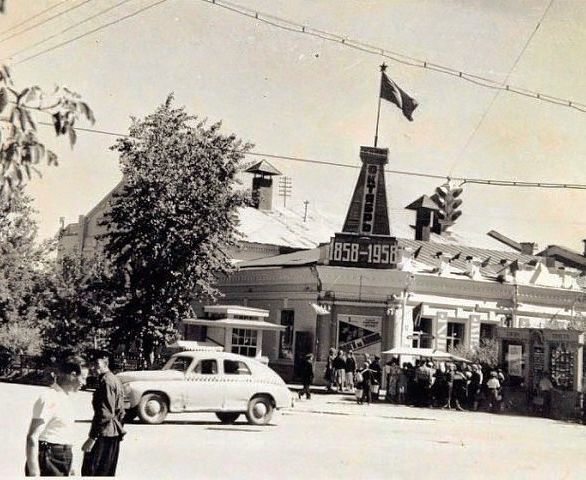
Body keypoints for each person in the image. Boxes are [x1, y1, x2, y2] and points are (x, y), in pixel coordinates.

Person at [25, 355, 88, 477]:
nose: (84, 383)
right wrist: (34, 472)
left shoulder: (65, 398)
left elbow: (65, 434)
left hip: (62, 456)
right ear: (73, 375)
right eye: (84, 378)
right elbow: (32, 436)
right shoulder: (49, 398)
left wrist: (71, 465)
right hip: (49, 458)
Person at [81, 351, 126, 477]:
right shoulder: (114, 379)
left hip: (104, 436)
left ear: (105, 364)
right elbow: (120, 412)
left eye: (97, 364)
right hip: (112, 434)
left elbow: (105, 414)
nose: (93, 368)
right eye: (92, 364)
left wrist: (92, 438)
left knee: (93, 472)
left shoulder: (106, 382)